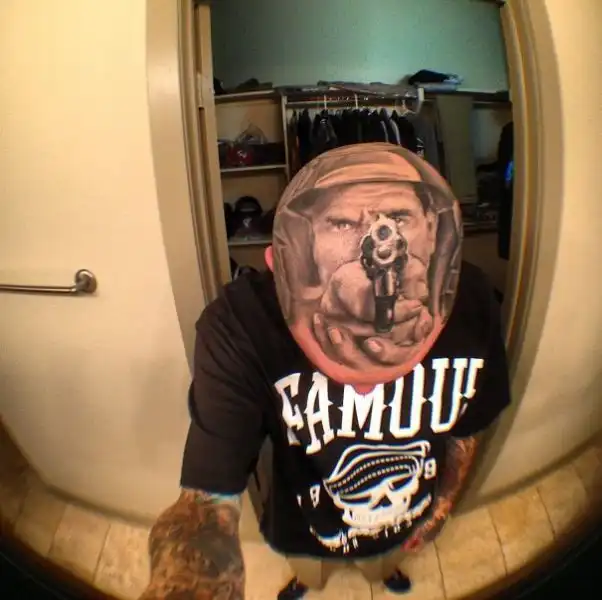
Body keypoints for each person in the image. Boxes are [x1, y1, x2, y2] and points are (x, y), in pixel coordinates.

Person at [139, 143, 511, 600]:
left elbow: (469, 426)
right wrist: (191, 585)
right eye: (342, 222)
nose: (376, 238)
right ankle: (306, 578)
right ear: (286, 260)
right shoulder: (243, 324)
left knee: (383, 563)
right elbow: (205, 501)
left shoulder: (472, 302)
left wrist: (441, 506)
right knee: (310, 571)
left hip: (405, 515)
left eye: (399, 216)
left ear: (433, 236)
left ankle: (383, 571)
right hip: (305, 526)